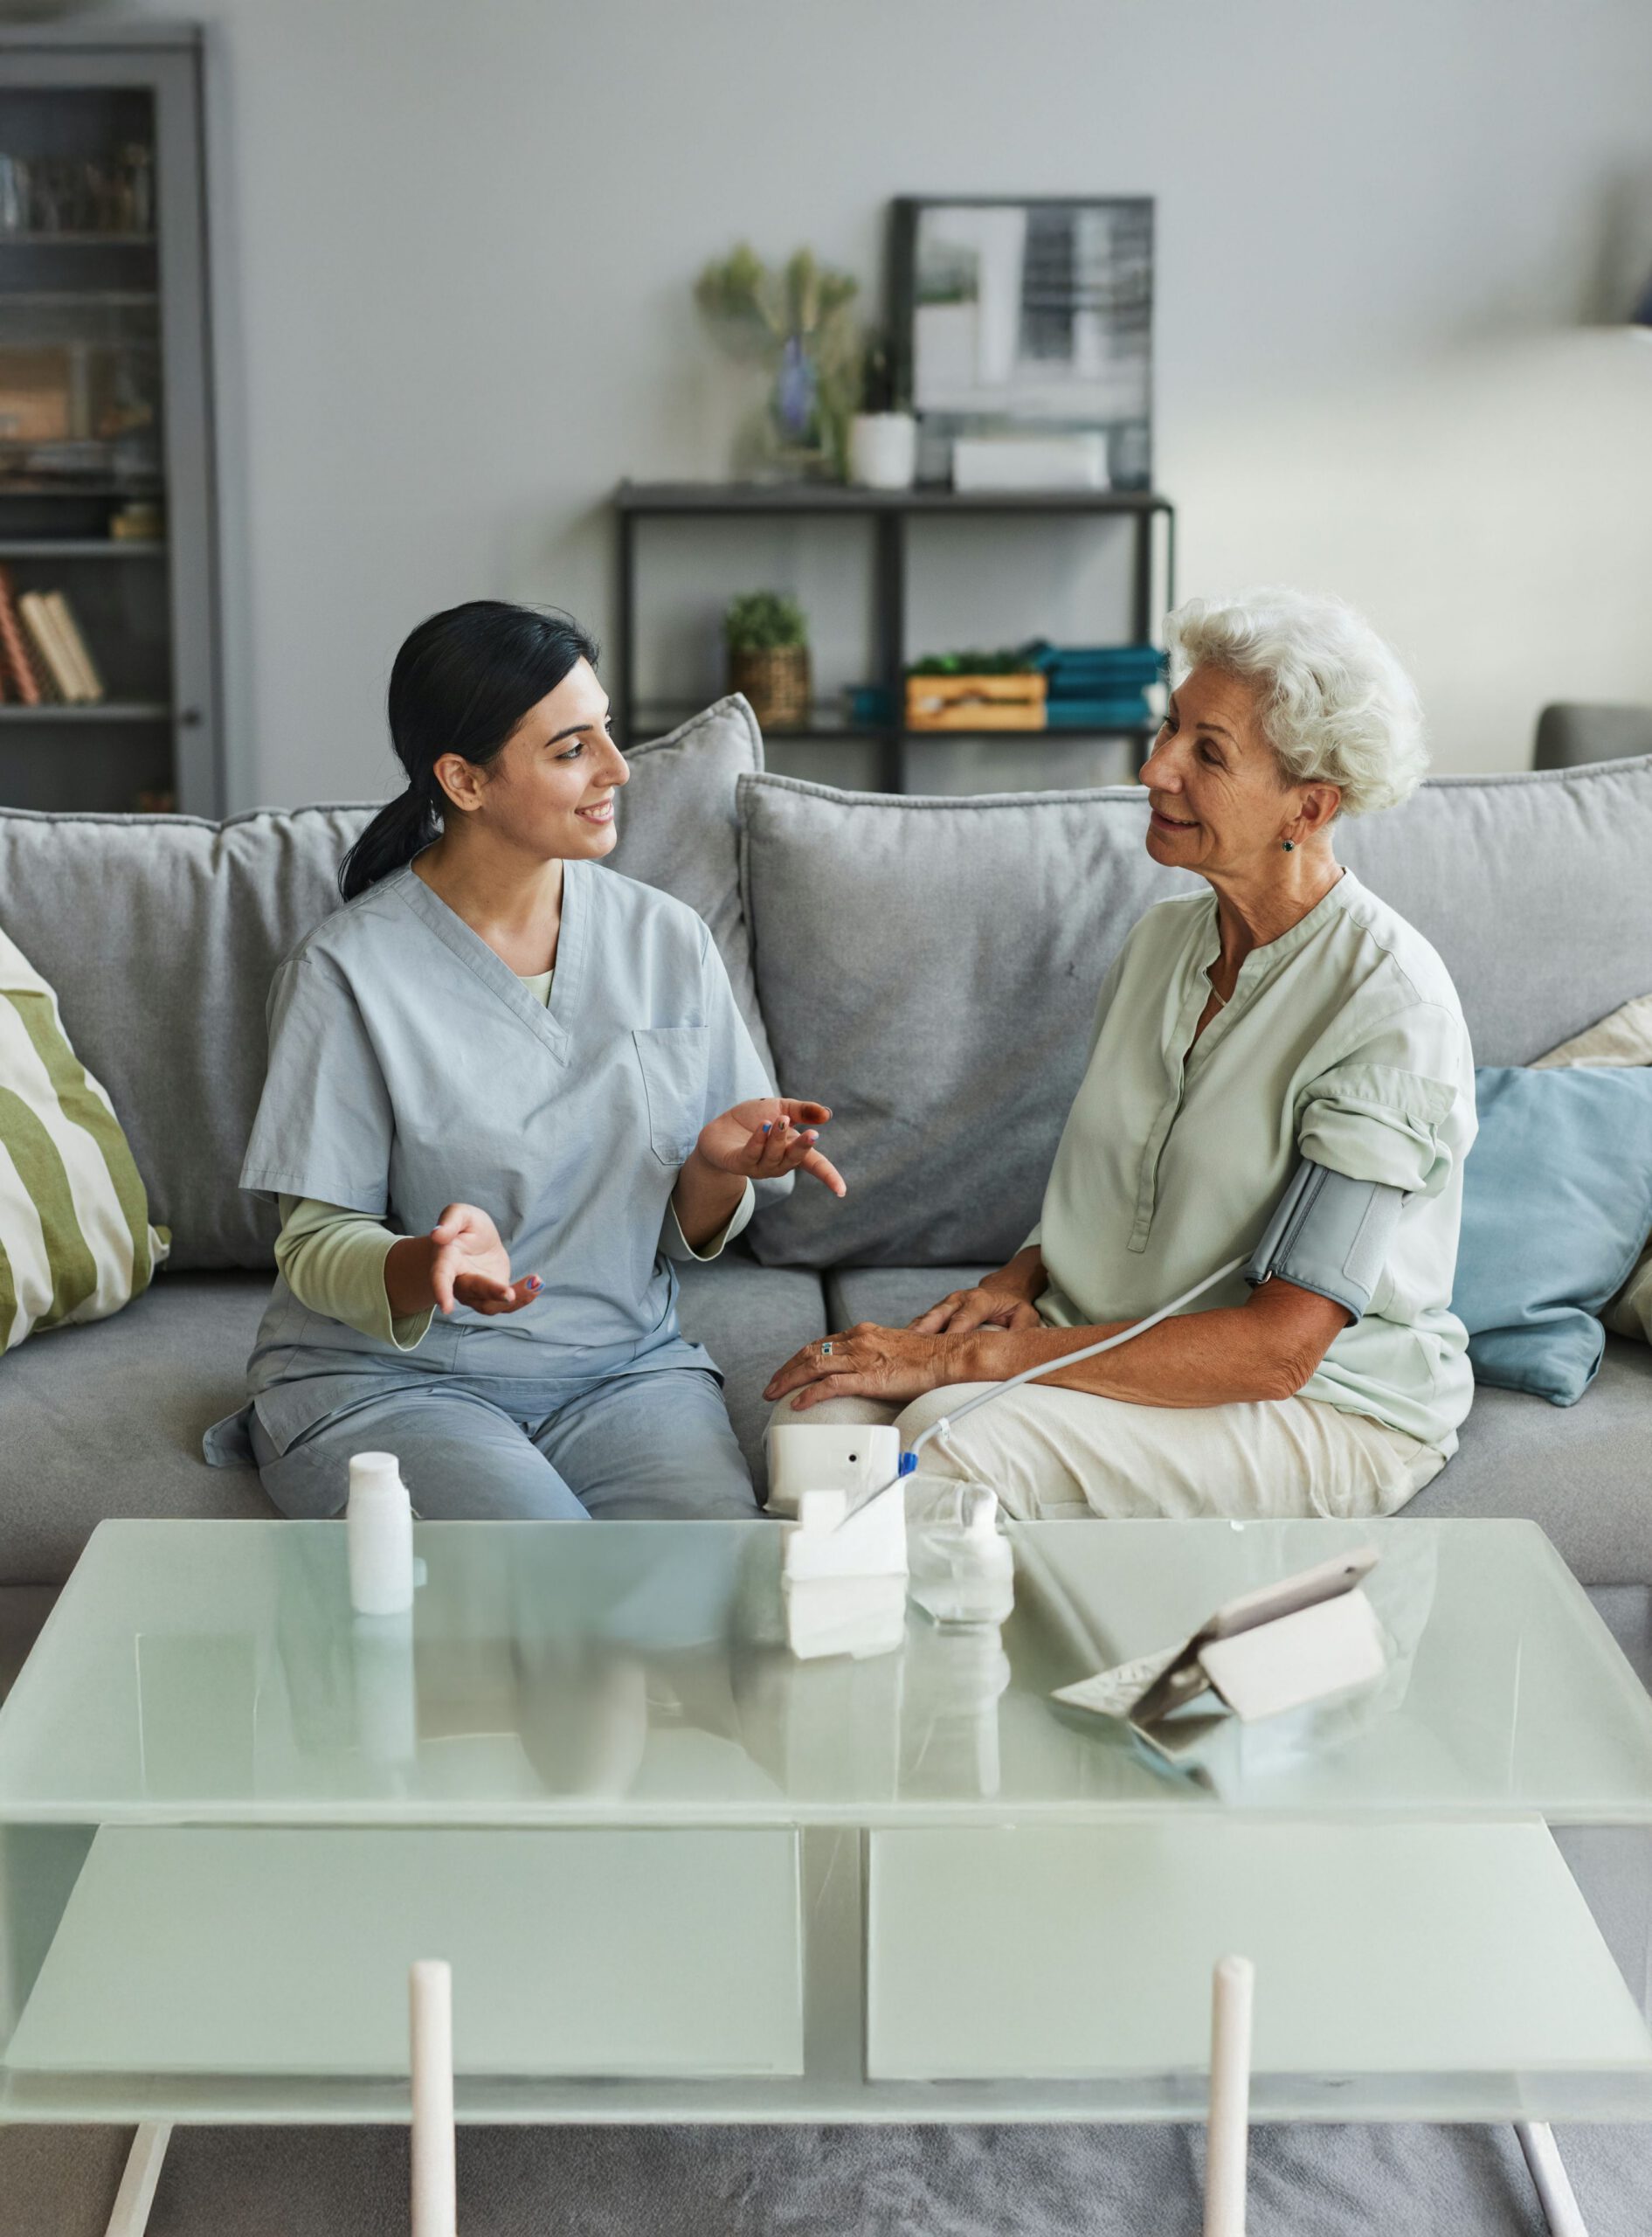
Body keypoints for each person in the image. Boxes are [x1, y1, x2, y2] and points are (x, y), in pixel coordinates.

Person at [764, 588, 1476, 1522]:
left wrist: (973, 1359)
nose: (1154, 768)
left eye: (1206, 753)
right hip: (1109, 1341)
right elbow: (1120, 1190)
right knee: (815, 1436)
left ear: (1307, 806)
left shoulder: (1388, 1008)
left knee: (947, 1449)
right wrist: (1015, 1283)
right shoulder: (1161, 946)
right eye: (1168, 729)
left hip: (1320, 1406)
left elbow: (1278, 1350)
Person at [205, 600, 844, 1520]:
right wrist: (424, 1261)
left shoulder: (666, 939)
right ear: (464, 781)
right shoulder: (347, 970)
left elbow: (679, 1230)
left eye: (608, 731)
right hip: (398, 1383)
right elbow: (313, 1245)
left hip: (624, 1375)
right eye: (571, 748)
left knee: (713, 1601)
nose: (619, 770)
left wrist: (715, 1166)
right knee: (546, 1590)